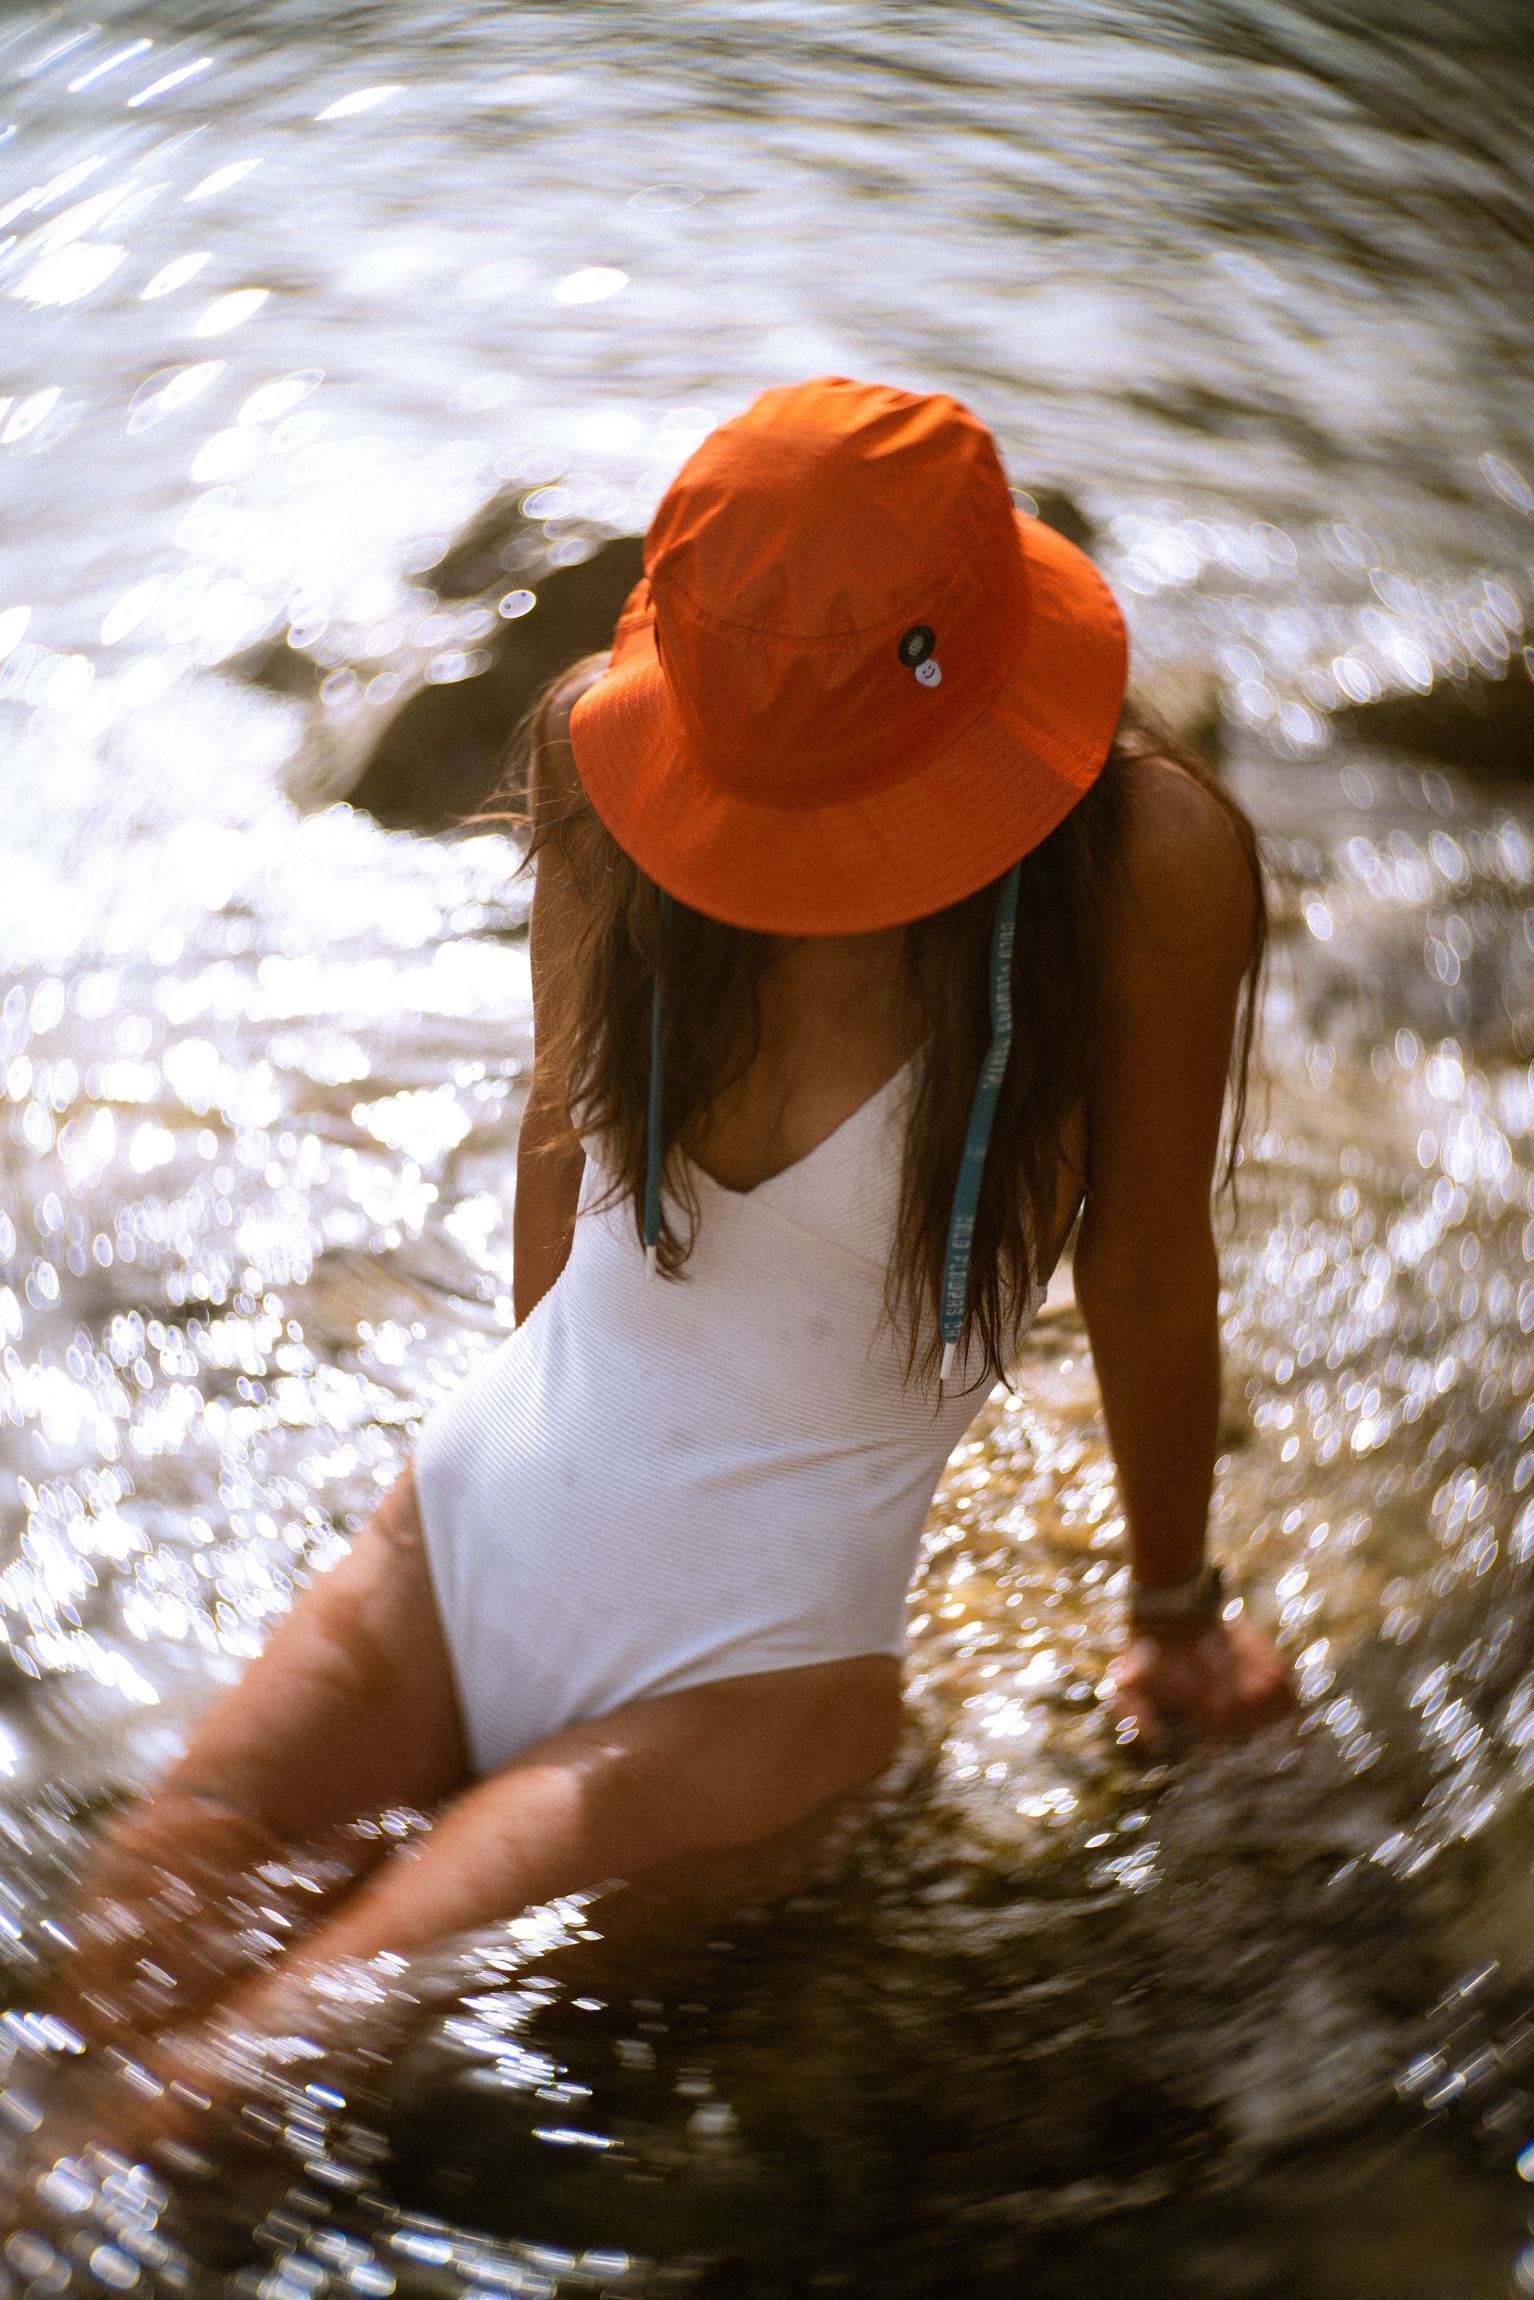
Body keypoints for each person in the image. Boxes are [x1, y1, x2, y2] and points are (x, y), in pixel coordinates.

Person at [41, 376, 1296, 2120]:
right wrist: (1172, 1618)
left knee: (163, 2021)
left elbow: (555, 1152)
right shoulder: (1144, 852)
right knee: (196, 2050)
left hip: (529, 1556)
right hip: (679, 1649)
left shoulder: (612, 754)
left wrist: (567, 1523)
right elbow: (1146, 1263)